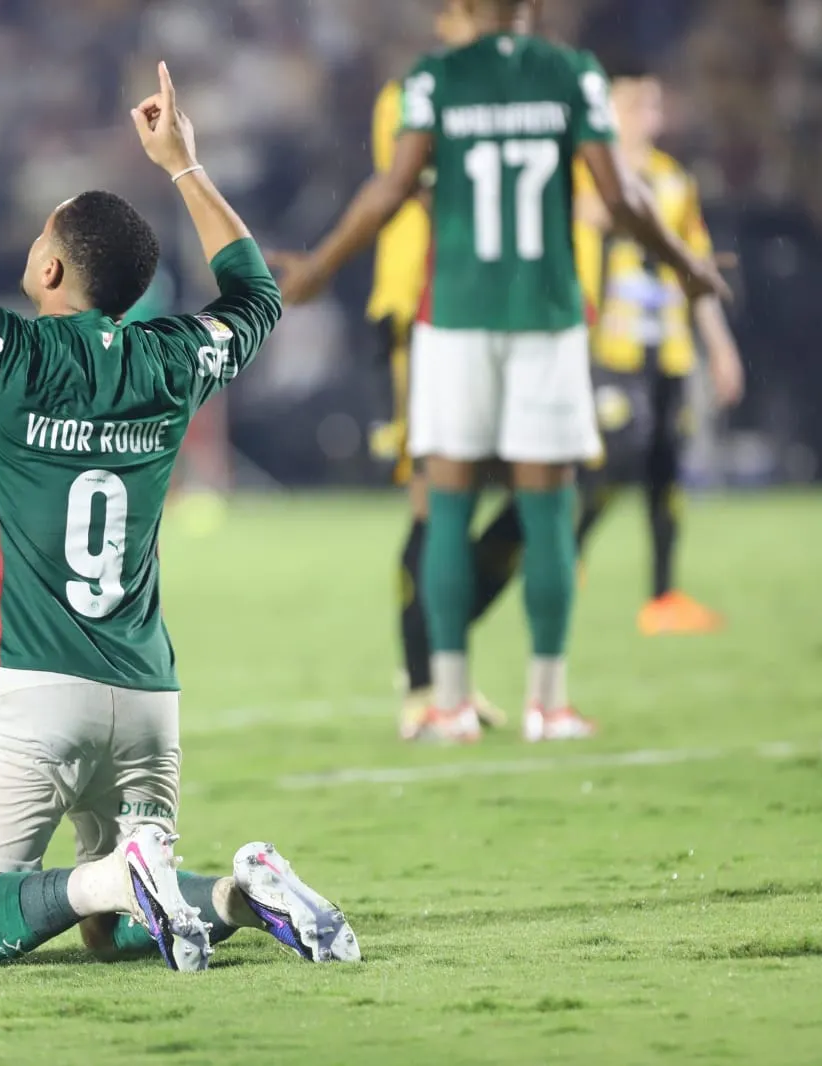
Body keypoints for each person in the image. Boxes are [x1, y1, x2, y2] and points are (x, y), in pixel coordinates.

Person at [0, 51, 359, 970]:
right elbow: (259, 297)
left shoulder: (2, 352)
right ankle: (237, 894)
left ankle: (114, 877)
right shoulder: (172, 359)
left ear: (51, 266)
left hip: (28, 688)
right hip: (146, 695)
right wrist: (184, 164)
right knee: (118, 934)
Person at [278, 0, 729, 743]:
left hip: (453, 318)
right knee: (548, 509)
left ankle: (448, 701)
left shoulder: (433, 79)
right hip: (544, 316)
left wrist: (321, 267)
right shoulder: (572, 75)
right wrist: (688, 267)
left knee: (448, 505)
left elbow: (392, 189)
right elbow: (620, 194)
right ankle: (547, 704)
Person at [362, 0, 522, 740]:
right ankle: (425, 681)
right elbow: (419, 188)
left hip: (506, 316)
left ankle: (444, 664)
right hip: (426, 314)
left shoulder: (521, 93)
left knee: (547, 497)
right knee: (436, 500)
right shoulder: (409, 95)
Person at [571, 62, 745, 635]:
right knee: (620, 452)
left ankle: (663, 597)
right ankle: (567, 547)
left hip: (668, 349)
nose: (649, 116)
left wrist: (721, 348)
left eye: (653, 105)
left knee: (666, 469)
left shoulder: (674, 181)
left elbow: (697, 271)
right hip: (610, 346)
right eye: (636, 105)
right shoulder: (585, 173)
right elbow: (590, 215)